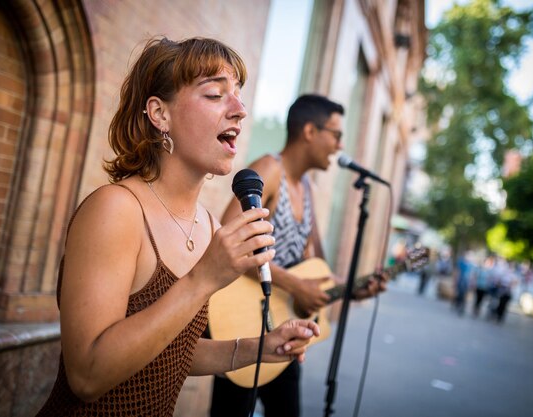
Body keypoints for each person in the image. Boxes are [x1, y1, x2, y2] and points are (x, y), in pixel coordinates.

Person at [36, 37, 320, 416]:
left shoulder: (207, 225)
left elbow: (168, 351)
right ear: (160, 113)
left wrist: (260, 348)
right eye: (216, 95)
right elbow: (87, 375)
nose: (239, 110)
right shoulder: (116, 210)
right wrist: (203, 278)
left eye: (237, 95)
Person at [209, 94, 388, 417]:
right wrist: (295, 286)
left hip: (282, 329)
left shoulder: (306, 188)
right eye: (335, 134)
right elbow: (229, 239)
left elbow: (315, 270)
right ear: (309, 131)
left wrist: (353, 288)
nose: (339, 145)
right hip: (242, 325)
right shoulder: (268, 169)